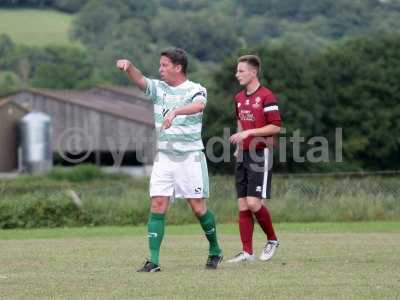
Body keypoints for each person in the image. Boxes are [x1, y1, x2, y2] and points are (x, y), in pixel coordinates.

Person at [116, 48, 223, 272]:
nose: (160, 69)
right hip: (164, 157)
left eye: (164, 65)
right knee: (157, 204)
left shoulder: (196, 89)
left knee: (198, 208)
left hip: (190, 158)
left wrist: (175, 112)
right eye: (160, 65)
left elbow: (199, 106)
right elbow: (140, 80)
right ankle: (153, 261)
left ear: (178, 67)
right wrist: (129, 66)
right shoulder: (159, 89)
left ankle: (215, 250)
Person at [228, 55, 281, 263]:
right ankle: (247, 252)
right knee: (242, 204)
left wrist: (249, 134)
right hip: (244, 154)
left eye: (241, 71)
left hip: (261, 153)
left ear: (253, 72)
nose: (237, 74)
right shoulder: (239, 98)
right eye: (237, 70)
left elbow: (275, 126)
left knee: (253, 202)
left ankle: (272, 239)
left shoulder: (267, 96)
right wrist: (240, 142)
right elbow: (240, 121)